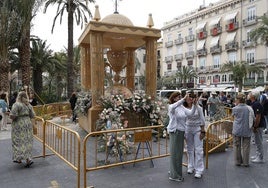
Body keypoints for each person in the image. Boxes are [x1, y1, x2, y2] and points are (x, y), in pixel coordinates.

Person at [167, 92, 196, 182]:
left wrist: (194, 104)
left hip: (181, 132)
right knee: (175, 154)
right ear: (174, 98)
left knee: (178, 154)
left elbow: (191, 113)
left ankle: (174, 172)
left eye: (180, 96)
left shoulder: (181, 107)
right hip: (175, 131)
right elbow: (172, 107)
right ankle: (174, 175)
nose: (180, 98)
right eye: (178, 97)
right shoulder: (172, 107)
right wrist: (183, 99)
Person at [9, 91, 35, 167]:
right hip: (27, 123)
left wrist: (9, 114)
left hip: (18, 124)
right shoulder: (28, 105)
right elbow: (33, 115)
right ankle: (28, 159)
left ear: (18, 97)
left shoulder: (16, 105)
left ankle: (18, 158)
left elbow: (13, 116)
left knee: (17, 140)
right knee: (27, 141)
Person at [184, 92, 206, 178]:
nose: (190, 99)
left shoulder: (199, 108)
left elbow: (202, 119)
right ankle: (190, 166)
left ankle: (199, 169)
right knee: (189, 149)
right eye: (189, 97)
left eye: (192, 97)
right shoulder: (184, 108)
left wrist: (203, 131)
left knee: (198, 150)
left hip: (197, 129)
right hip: (188, 129)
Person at [232, 93, 255, 167]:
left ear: (238, 100)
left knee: (237, 145)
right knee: (246, 146)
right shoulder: (249, 108)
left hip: (237, 129)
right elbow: (253, 118)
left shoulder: (235, 108)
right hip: (247, 129)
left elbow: (233, 117)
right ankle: (246, 162)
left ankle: (238, 161)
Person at [248, 91, 265, 163]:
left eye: (250, 94)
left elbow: (258, 116)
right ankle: (258, 155)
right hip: (257, 125)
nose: (248, 95)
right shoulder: (254, 103)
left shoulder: (256, 104)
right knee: (257, 141)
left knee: (259, 141)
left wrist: (255, 126)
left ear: (253, 96)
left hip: (258, 125)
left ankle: (260, 157)